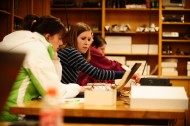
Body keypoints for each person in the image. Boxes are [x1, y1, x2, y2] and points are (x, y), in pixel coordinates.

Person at [0, 14, 84, 122]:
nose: (61, 43)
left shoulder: (18, 41)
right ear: (48, 36)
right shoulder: (35, 48)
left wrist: (55, 59)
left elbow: (53, 81)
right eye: (59, 38)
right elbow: (53, 92)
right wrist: (78, 88)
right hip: (13, 116)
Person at [58, 22, 125, 85]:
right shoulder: (70, 52)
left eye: (89, 40)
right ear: (73, 38)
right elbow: (97, 73)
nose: (86, 43)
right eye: (83, 38)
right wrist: (125, 74)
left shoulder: (70, 51)